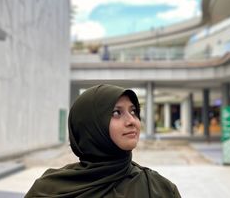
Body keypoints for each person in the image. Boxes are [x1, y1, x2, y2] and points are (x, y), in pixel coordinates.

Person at [25, 84, 181, 197]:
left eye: (133, 111)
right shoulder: (48, 190)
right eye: (116, 113)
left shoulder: (159, 189)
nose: (131, 120)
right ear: (90, 125)